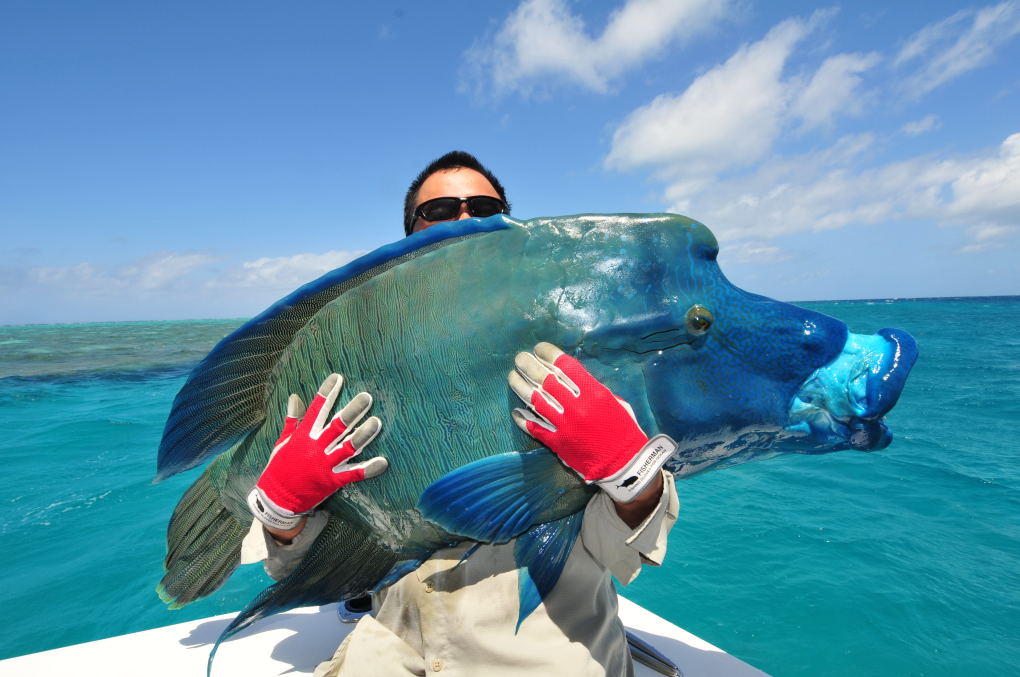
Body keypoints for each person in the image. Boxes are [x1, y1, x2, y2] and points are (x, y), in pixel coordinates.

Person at [242, 151, 680, 676]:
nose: (465, 219)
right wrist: (280, 508)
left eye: (485, 207)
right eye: (441, 209)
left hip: (546, 649)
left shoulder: (566, 330)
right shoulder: (360, 357)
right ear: (409, 239)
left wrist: (631, 472)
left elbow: (623, 550)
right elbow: (295, 560)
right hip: (390, 640)